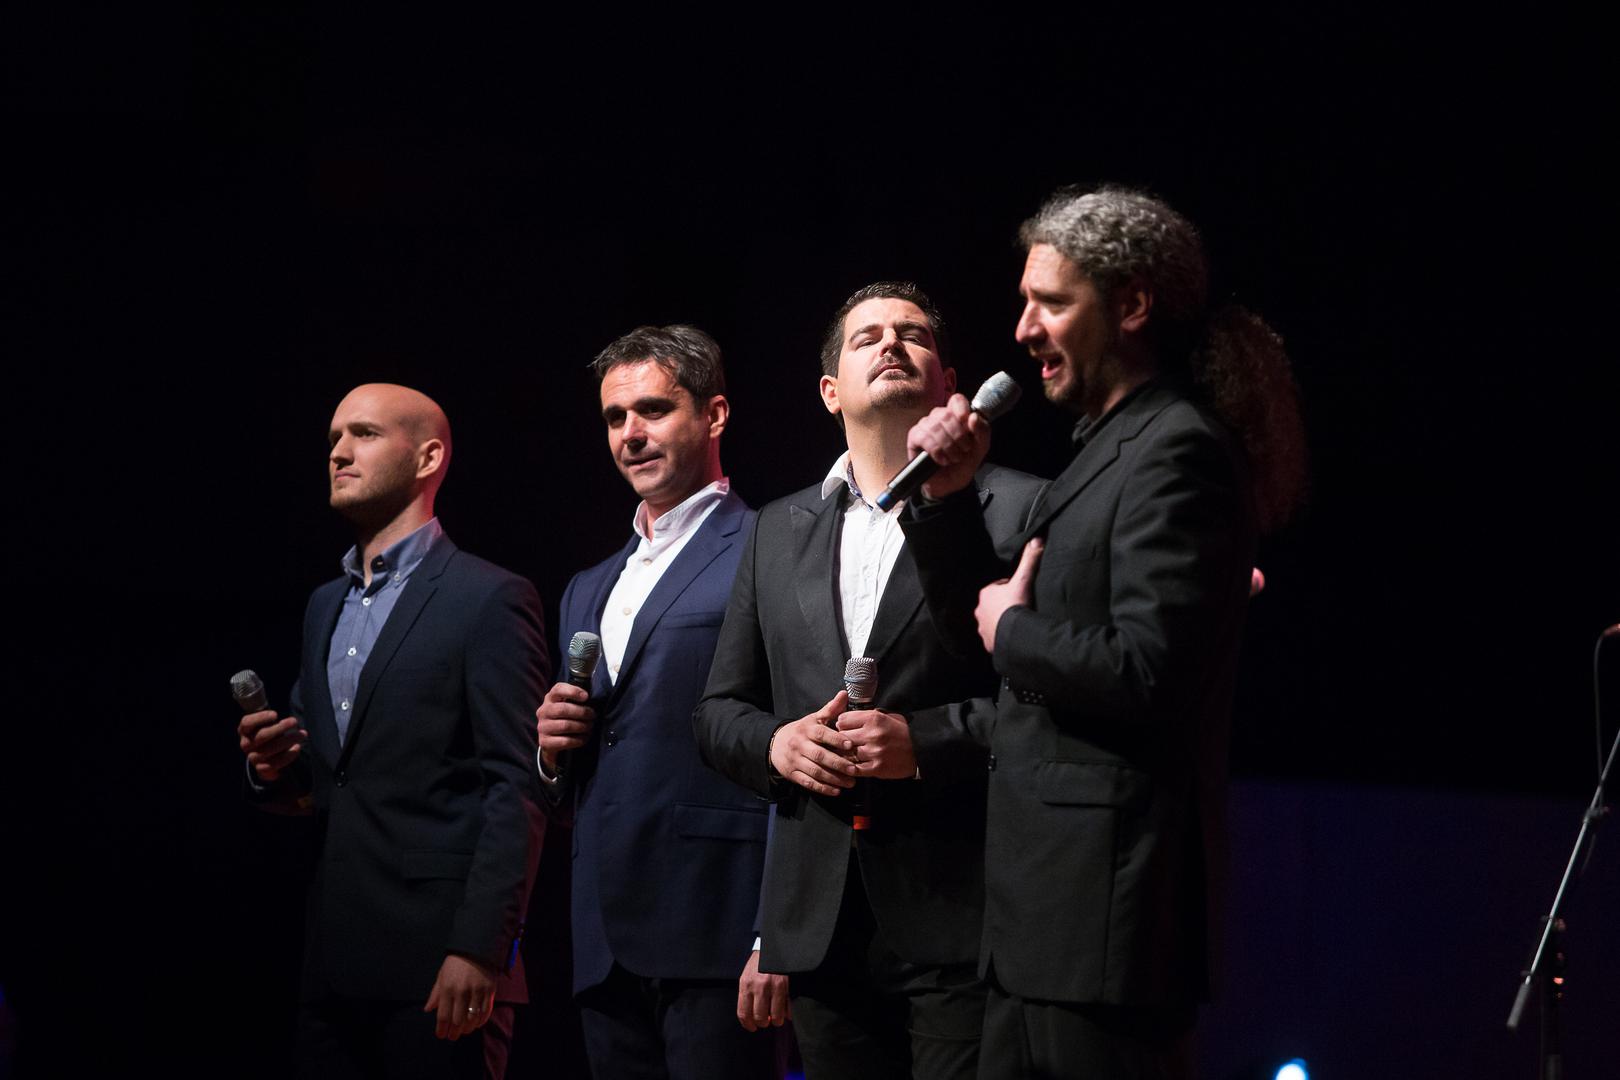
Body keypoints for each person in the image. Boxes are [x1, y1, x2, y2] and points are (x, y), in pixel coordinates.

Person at [902, 186, 1307, 1078]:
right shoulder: (1102, 450)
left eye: (1050, 302)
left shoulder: (1180, 451)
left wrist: (1014, 630)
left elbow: (1150, 671)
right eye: (1024, 302)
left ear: (1130, 306)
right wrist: (947, 499)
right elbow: (981, 633)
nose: (1023, 330)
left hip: (1106, 928)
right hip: (1040, 926)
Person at [693, 283, 1044, 1080]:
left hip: (963, 910)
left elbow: (1044, 703)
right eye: (867, 337)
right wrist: (777, 744)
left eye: (913, 334)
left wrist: (923, 744)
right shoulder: (776, 528)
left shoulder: (1020, 506)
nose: (891, 344)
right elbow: (718, 711)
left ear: (949, 384)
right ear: (830, 392)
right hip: (818, 928)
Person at [237, 383, 549, 1080]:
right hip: (332, 965)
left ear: (427, 458)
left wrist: (480, 948)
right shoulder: (325, 605)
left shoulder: (488, 597)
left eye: (365, 434)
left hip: (441, 966)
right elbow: (329, 779)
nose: (339, 452)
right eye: (333, 439)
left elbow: (518, 786)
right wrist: (271, 766)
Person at [533, 326, 780, 1079]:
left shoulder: (770, 546)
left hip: (717, 925)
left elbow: (789, 744)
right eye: (615, 417)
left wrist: (774, 933)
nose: (631, 434)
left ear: (715, 415)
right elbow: (581, 779)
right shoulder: (587, 586)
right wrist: (552, 754)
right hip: (603, 938)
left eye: (653, 409)